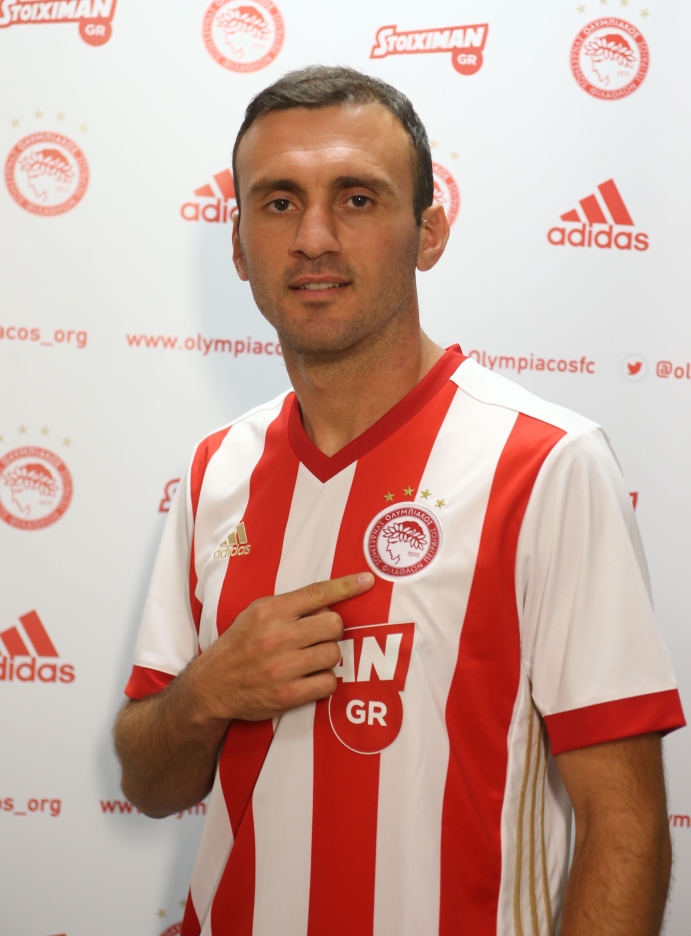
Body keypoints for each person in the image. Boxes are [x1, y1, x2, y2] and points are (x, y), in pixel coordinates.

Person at [113, 66, 684, 936]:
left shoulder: (544, 463)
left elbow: (625, 823)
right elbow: (150, 786)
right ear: (237, 246)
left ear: (428, 232)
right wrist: (206, 693)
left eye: (356, 199)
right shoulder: (215, 468)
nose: (312, 238)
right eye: (278, 203)